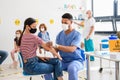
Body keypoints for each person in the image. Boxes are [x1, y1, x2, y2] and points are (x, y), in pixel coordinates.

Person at [45, 13, 84, 80]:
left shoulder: (77, 35)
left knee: (72, 69)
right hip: (63, 61)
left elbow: (72, 49)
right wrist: (50, 48)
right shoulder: (59, 35)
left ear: (71, 22)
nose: (63, 24)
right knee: (46, 67)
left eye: (65, 22)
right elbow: (56, 50)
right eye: (62, 22)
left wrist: (57, 46)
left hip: (75, 61)